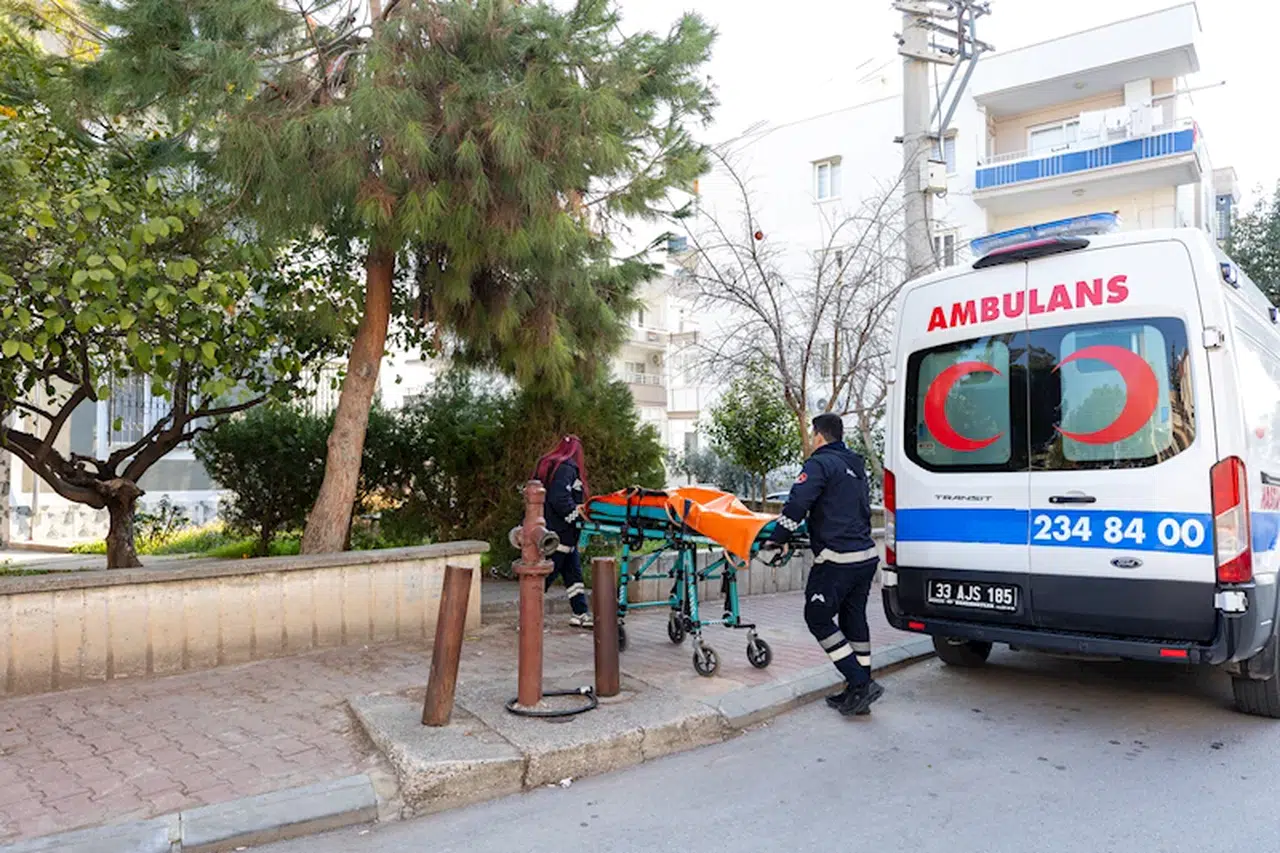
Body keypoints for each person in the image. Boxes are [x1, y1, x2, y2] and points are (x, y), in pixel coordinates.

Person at [764, 413, 883, 716]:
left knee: (817, 617)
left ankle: (861, 683)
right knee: (854, 620)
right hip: (865, 556)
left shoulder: (819, 464)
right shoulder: (855, 464)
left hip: (837, 558)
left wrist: (777, 538)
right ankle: (859, 692)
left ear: (818, 435)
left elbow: (797, 504)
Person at [534, 435, 593, 628]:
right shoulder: (567, 468)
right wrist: (577, 517)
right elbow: (560, 499)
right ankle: (529, 616)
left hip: (553, 530)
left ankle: (580, 613)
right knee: (547, 575)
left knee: (573, 574)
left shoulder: (549, 464)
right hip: (561, 533)